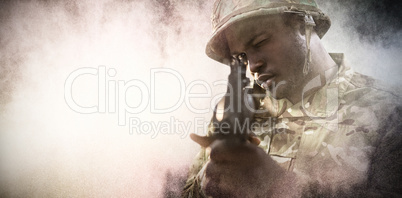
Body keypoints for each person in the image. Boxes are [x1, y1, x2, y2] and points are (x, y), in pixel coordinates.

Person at [182, 0, 402, 197]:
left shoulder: (389, 113)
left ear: (302, 23)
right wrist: (206, 183)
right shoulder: (235, 112)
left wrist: (279, 186)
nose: (252, 66)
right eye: (241, 57)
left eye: (260, 42)